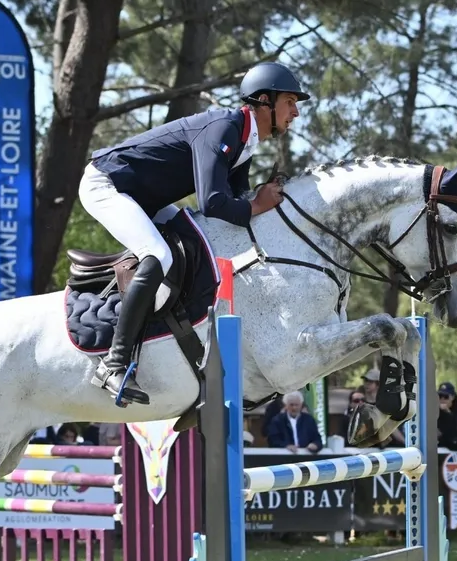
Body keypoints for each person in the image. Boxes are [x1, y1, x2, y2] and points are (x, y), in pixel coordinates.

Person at [77, 62, 309, 406]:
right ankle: (114, 363)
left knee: (203, 246)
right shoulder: (224, 129)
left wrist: (263, 201)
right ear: (264, 100)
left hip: (146, 199)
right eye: (290, 102)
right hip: (109, 183)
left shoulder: (245, 140)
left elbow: (235, 206)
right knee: (158, 256)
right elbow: (214, 202)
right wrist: (257, 205)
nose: (295, 113)